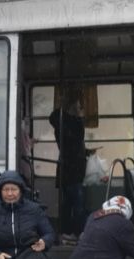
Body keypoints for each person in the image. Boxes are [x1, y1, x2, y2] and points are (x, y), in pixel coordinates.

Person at [49, 90, 87, 242]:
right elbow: (74, 143)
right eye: (78, 107)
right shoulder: (68, 123)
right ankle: (75, 232)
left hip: (71, 170)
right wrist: (65, 107)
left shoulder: (68, 124)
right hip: (72, 170)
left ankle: (69, 231)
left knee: (69, 204)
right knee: (76, 205)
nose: (80, 110)